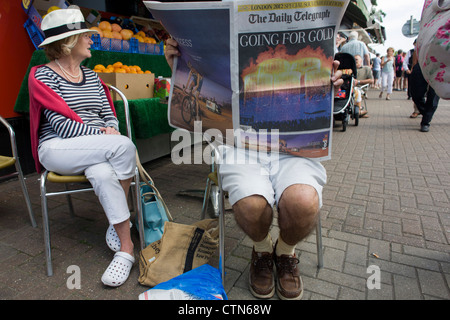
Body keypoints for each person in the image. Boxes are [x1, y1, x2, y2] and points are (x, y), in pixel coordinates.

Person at [165, 38, 343, 300]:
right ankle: (262, 250)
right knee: (251, 205)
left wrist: (333, 81)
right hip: (240, 146)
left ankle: (284, 252)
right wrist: (179, 64)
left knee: (303, 202)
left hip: (294, 145)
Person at [28, 7, 136, 287]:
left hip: (96, 147)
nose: (91, 38)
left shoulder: (92, 76)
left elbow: (108, 112)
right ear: (68, 42)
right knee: (124, 147)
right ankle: (120, 225)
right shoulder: (42, 76)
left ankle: (126, 248)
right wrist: (107, 135)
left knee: (102, 173)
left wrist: (110, 126)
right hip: (58, 148)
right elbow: (63, 127)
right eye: (85, 35)